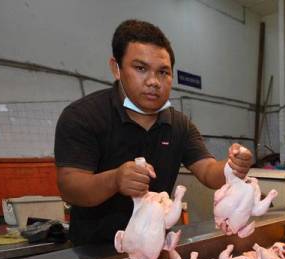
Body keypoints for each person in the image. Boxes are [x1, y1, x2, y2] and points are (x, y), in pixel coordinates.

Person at [54, 20, 253, 246]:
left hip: (154, 246)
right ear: (116, 68)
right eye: (140, 68)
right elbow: (70, 187)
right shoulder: (84, 116)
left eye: (163, 72)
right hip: (94, 252)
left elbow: (208, 171)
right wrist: (115, 179)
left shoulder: (180, 125)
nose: (153, 82)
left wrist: (232, 166)